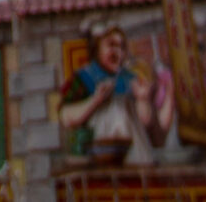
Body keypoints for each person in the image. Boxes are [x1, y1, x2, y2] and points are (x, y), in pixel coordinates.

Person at [59, 25, 170, 163]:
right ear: (97, 47)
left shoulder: (133, 79)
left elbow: (146, 123)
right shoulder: (83, 78)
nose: (117, 52)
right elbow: (66, 117)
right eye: (111, 45)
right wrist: (95, 101)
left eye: (121, 47)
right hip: (98, 154)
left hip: (134, 156)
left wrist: (143, 99)